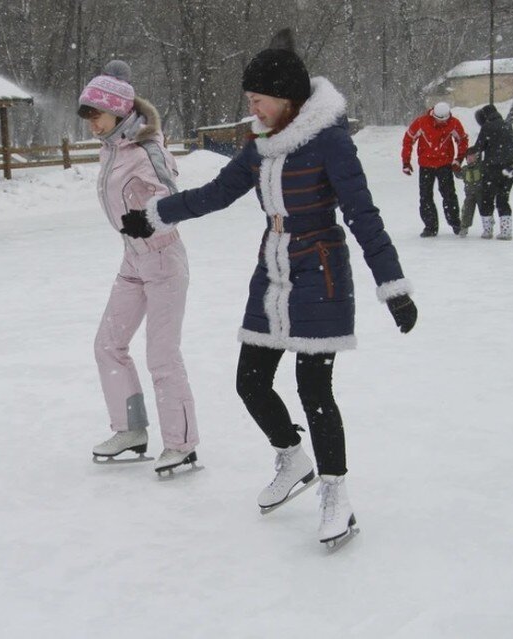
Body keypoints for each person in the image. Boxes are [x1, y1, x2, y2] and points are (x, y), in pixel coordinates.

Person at [120, 30, 417, 546]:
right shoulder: (260, 143)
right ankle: (291, 457)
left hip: (321, 269)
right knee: (250, 381)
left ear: (286, 97)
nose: (251, 106)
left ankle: (336, 495)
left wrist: (392, 284)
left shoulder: (329, 140)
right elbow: (217, 193)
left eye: (258, 98)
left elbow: (363, 213)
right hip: (272, 269)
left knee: (313, 388)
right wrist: (155, 216)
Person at [80, 61, 200, 474]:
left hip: (163, 256)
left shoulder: (147, 149)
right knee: (108, 344)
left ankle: (182, 445)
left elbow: (172, 197)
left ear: (117, 110)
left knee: (162, 355)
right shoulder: (113, 146)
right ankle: (131, 429)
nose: (90, 123)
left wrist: (149, 216)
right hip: (132, 257)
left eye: (94, 113)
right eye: (86, 115)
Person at [401, 102, 468, 237]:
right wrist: (406, 162)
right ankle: (430, 226)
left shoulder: (454, 123)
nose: (442, 122)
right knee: (425, 196)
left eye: (445, 120)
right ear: (433, 115)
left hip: (445, 164)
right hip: (426, 165)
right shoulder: (421, 122)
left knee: (449, 195)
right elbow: (408, 139)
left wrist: (458, 159)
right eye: (439, 119)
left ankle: (455, 223)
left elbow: (462, 140)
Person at [470, 104, 513, 240]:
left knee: (487, 198)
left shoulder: (486, 127)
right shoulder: (507, 125)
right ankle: (506, 231)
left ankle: (487, 230)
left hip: (492, 168)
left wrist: (470, 152)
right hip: (508, 168)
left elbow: (479, 146)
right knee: (503, 198)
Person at [454, 149, 483, 238]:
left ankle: (488, 226)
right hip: (469, 194)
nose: (469, 159)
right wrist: (455, 168)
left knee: (485, 209)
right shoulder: (465, 169)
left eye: (472, 157)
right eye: (468, 157)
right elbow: (459, 175)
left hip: (481, 194)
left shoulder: (481, 167)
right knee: (467, 210)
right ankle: (464, 227)